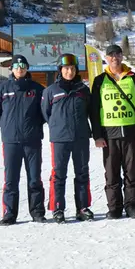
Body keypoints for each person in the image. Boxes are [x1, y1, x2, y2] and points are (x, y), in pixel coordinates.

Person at [88, 44, 135, 219]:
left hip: (130, 132)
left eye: (118, 54)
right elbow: (94, 110)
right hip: (109, 134)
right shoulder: (100, 81)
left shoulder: (133, 78)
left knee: (131, 171)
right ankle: (114, 207)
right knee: (111, 172)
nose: (115, 57)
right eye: (111, 55)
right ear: (106, 58)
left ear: (122, 57)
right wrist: (97, 135)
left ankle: (132, 206)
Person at [0, 55, 47, 226]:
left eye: (23, 66)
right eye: (17, 66)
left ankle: (37, 212)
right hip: (11, 142)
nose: (20, 69)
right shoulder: (2, 89)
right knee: (11, 180)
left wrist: (34, 126)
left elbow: (44, 113)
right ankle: (9, 213)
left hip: (32, 141)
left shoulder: (37, 89)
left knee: (34, 178)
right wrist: (7, 126)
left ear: (27, 68)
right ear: (12, 69)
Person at [42, 53, 95, 223]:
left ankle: (83, 207)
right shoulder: (51, 91)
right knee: (59, 174)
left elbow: (91, 112)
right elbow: (46, 113)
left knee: (82, 172)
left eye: (72, 68)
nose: (69, 72)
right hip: (60, 138)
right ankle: (57, 208)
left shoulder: (83, 90)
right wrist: (58, 126)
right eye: (66, 69)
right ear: (60, 70)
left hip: (80, 137)